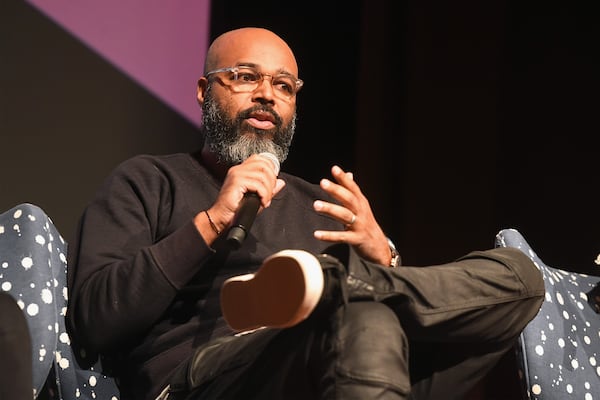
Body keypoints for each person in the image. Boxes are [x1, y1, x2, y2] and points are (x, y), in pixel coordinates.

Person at [66, 27, 545, 400]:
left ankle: (339, 289)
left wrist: (386, 259)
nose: (267, 96)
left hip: (343, 367)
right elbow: (95, 319)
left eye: (283, 86)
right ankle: (333, 296)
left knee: (522, 280)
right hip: (202, 382)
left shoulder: (321, 202)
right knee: (365, 323)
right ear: (203, 90)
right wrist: (212, 221)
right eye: (246, 76)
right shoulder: (148, 181)